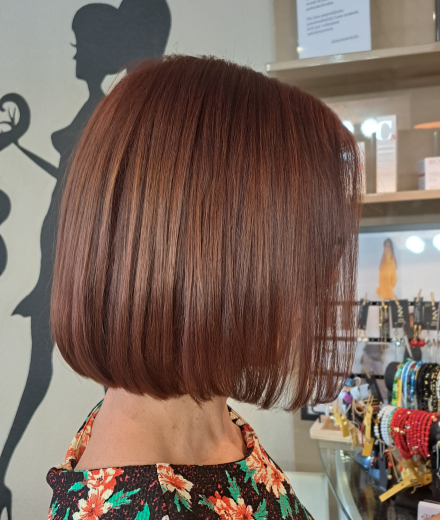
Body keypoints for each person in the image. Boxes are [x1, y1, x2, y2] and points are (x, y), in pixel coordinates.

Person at [47, 55, 363, 519]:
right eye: (310, 249)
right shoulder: (149, 503)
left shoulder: (200, 418)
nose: (324, 277)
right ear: (221, 257)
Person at [0, 2, 170, 517]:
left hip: (74, 263)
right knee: (70, 371)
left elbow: (83, 189)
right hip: (62, 258)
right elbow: (71, 183)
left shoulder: (109, 108)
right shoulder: (103, 105)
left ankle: (123, 476)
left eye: (80, 46)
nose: (75, 56)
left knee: (104, 378)